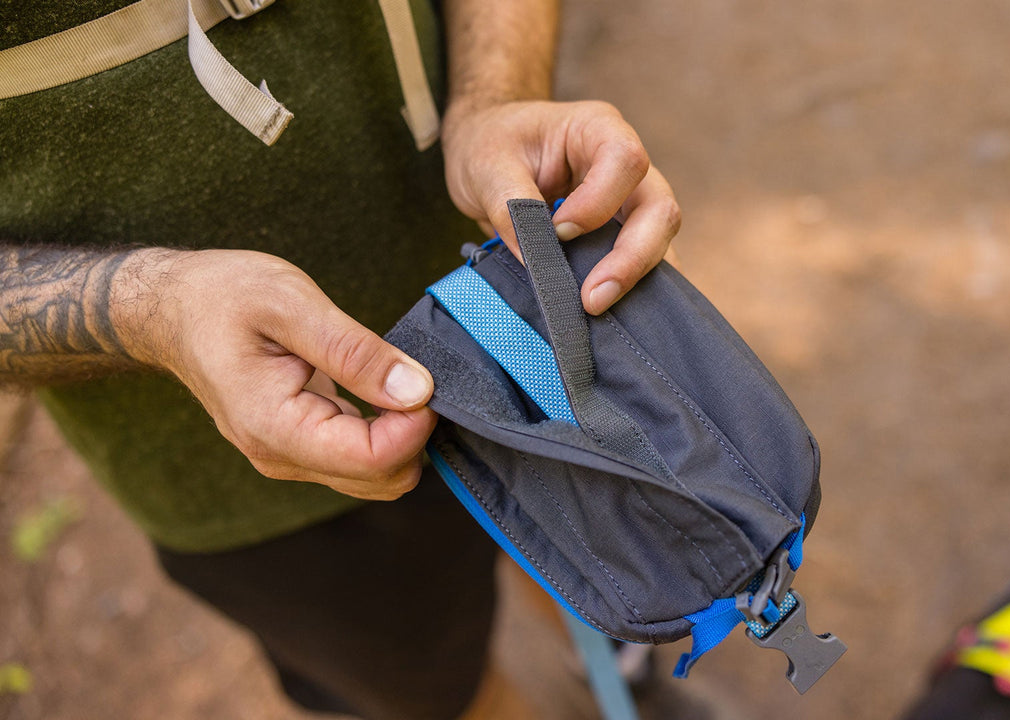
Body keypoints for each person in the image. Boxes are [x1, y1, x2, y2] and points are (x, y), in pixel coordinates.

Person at [0, 0, 680, 717]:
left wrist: (495, 97)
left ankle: (628, 666)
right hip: (243, 469)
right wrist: (152, 311)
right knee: (434, 690)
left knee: (601, 545)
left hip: (510, 301)